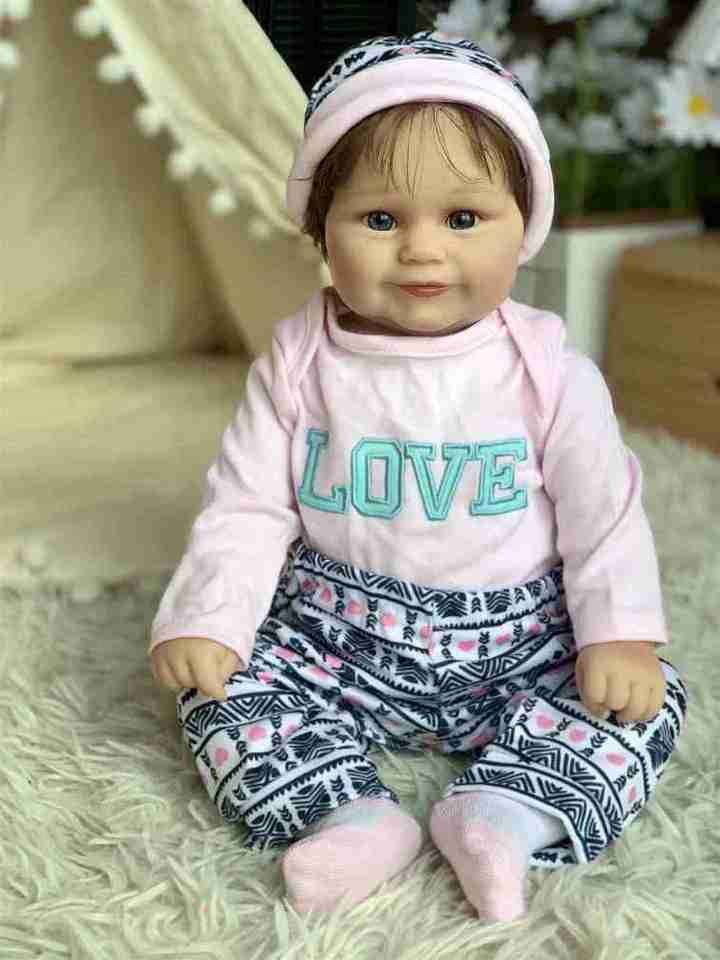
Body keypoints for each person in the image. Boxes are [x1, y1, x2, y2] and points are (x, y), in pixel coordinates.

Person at [148, 31, 688, 923]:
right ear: (321, 228)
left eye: (464, 218)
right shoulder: (299, 362)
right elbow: (245, 505)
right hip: (334, 637)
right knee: (216, 690)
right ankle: (349, 817)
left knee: (648, 700)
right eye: (381, 220)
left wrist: (619, 634)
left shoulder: (549, 369)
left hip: (518, 646)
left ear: (525, 223)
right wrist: (209, 617)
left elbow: (604, 514)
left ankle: (504, 813)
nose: (423, 252)